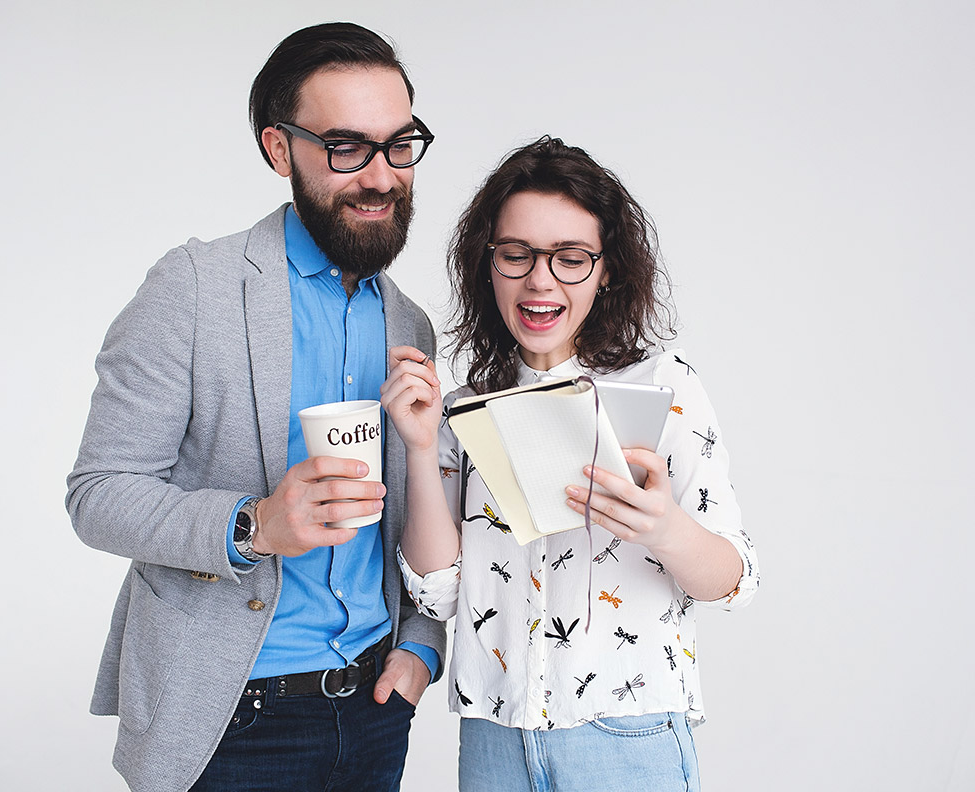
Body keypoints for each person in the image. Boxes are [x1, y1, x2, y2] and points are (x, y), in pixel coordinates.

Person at [66, 23, 445, 792]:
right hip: (231, 717)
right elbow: (98, 493)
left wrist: (420, 648)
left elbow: (417, 515)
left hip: (374, 709)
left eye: (399, 144)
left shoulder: (410, 325)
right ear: (280, 149)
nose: (381, 176)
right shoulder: (194, 289)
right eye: (346, 147)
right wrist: (255, 525)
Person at [381, 136, 760, 791]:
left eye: (571, 258)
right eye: (516, 254)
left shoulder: (664, 386)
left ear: (606, 269)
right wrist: (418, 446)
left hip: (625, 736)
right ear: (488, 263)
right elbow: (438, 594)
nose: (540, 280)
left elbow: (735, 581)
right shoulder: (462, 410)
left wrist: (664, 528)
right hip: (494, 739)